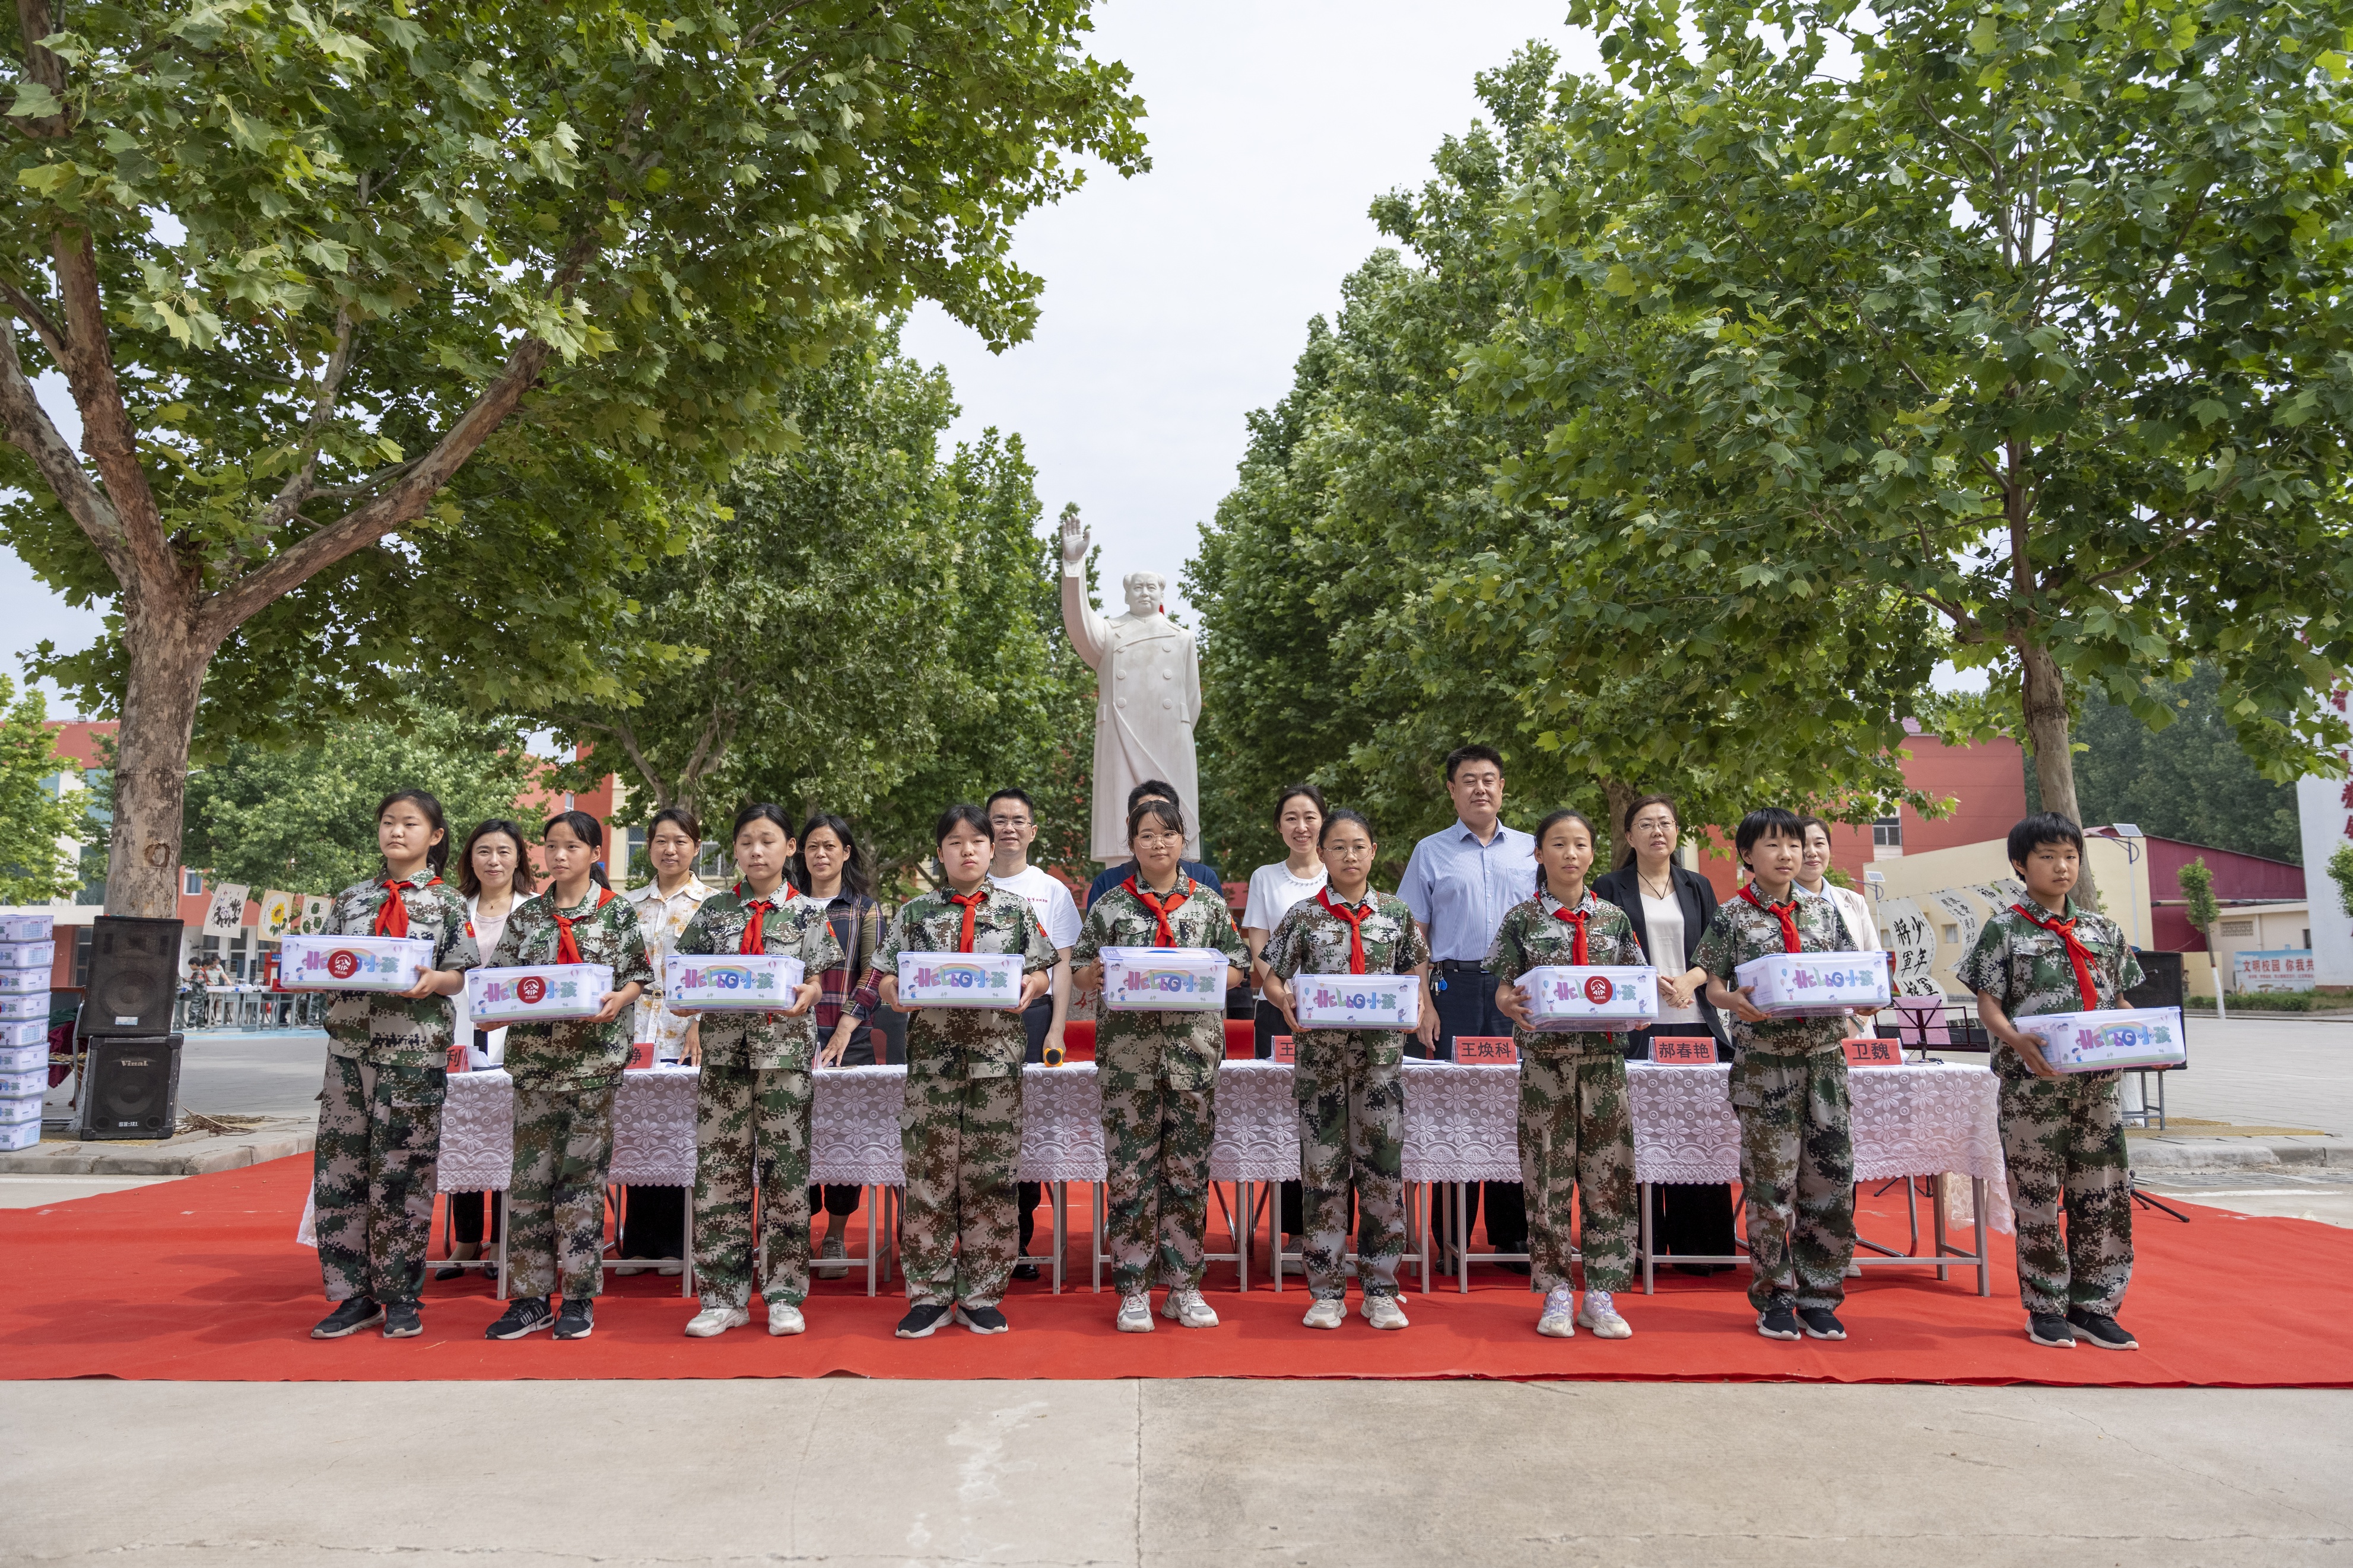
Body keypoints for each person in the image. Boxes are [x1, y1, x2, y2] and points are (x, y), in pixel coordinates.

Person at [1955, 813, 2144, 1351]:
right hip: (2032, 1090)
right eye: (2047, 857)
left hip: (2097, 1089)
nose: (2061, 867)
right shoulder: (2004, 929)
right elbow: (1987, 1005)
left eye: (2070, 856)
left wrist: (2142, 1036)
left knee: (2103, 1195)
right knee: (2036, 1195)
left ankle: (2096, 1306)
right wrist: (2016, 1041)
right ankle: (2045, 1307)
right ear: (2020, 864)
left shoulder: (2103, 930)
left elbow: (2120, 1000)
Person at [865, 804, 1055, 1337]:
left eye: (977, 841)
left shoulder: (1015, 910)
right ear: (941, 851)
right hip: (932, 1067)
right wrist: (893, 994)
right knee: (928, 1179)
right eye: (955, 842)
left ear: (993, 849)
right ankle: (927, 1293)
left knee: (990, 1179)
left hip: (995, 1065)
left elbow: (1040, 970)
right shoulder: (915, 912)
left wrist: (1031, 988)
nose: (967, 849)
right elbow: (883, 975)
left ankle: (980, 1293)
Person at [1694, 807, 1876, 1343]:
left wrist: (1857, 1006)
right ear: (1748, 855)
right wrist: (1734, 1003)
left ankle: (1820, 1296)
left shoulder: (1825, 912)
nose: (1786, 855)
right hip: (1765, 1068)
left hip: (1823, 1064)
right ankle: (1775, 1297)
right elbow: (1714, 985)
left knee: (1829, 1183)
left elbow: (1854, 974)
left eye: (1793, 845)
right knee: (1771, 1188)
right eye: (1772, 846)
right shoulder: (1732, 916)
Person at [1071, 796, 1249, 1332]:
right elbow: (1080, 969)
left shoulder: (1209, 904)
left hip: (1191, 1060)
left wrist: (1207, 973)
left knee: (1187, 1176)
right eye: (1146, 835)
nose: (1157, 844)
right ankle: (1132, 1289)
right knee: (1129, 1176)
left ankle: (1184, 1286)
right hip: (1129, 1064)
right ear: (1132, 844)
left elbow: (1240, 968)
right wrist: (1097, 975)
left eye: (1167, 834)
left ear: (1182, 841)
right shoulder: (1110, 905)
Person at [308, 790, 480, 1341]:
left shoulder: (448, 903)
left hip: (411, 1053)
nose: (396, 832)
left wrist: (435, 981)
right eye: (388, 822)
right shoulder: (352, 899)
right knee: (341, 1175)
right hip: (349, 1052)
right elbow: (328, 959)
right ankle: (350, 1294)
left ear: (435, 836)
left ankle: (401, 1295)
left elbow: (460, 973)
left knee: (403, 1174)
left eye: (410, 823)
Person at [481, 812, 652, 1343]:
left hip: (591, 1067)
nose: (559, 856)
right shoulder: (528, 917)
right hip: (534, 1068)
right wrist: (492, 1007)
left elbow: (638, 976)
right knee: (529, 1184)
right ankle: (529, 1297)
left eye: (572, 847)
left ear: (595, 854)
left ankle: (578, 1297)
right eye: (551, 846)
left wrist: (618, 998)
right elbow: (501, 981)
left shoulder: (616, 913)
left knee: (581, 1183)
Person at [1261, 809, 1431, 1331]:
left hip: (1379, 1068)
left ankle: (1380, 1287)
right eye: (1338, 847)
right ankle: (1326, 1289)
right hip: (1321, 1069)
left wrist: (1415, 1003)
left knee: (1382, 1176)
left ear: (1373, 851)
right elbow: (1270, 972)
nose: (1349, 856)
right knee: (1322, 1177)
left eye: (1358, 846)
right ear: (1323, 854)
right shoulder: (1303, 916)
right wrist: (1282, 997)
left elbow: (1414, 967)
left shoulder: (1396, 915)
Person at [674, 804, 839, 1338]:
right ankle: (722, 1296)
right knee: (719, 1178)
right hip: (723, 1059)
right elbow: (684, 973)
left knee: (785, 1177)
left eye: (767, 840)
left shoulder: (810, 913)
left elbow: (817, 981)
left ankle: (785, 1293)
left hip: (783, 1060)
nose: (756, 851)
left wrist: (811, 992)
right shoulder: (713, 910)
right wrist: (683, 999)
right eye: (746, 842)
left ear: (790, 847)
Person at [1488, 810, 1641, 1340]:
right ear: (1539, 854)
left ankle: (1601, 1291)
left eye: (1579, 844)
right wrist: (1511, 1006)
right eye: (1558, 844)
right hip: (1546, 1066)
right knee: (1547, 1179)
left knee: (1608, 1179)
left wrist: (1640, 1007)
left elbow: (1633, 983)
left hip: (1603, 1067)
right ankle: (1555, 1290)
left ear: (1592, 854)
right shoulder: (1521, 920)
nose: (1569, 854)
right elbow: (1503, 989)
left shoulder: (1615, 920)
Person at [1396, 743, 1531, 1265]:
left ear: (1502, 787)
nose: (1480, 788)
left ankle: (1511, 1233)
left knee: (1514, 1105)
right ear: (1451, 789)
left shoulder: (1529, 850)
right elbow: (1415, 936)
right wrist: (1423, 1001)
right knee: (1455, 1108)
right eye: (1469, 779)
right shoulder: (1430, 851)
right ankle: (1449, 1238)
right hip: (1453, 990)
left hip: (1516, 992)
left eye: (1489, 779)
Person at [1590, 793, 1737, 1270]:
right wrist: (1642, 975)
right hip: (1636, 1026)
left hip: (1695, 1024)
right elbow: (1597, 949)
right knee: (1636, 1137)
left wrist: (1695, 979)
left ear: (1677, 832)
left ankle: (1703, 1250)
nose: (1658, 831)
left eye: (1667, 823)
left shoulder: (1696, 885)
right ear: (1629, 836)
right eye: (1647, 824)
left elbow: (1716, 946)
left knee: (1698, 1133)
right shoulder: (1609, 886)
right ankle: (1635, 1248)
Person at [985, 787, 1081, 1279]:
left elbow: (1063, 967)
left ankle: (1017, 1241)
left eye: (1017, 820)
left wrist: (1057, 1029)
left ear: (1032, 830)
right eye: (998, 820)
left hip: (1031, 1016)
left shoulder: (1051, 890)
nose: (1008, 828)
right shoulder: (967, 879)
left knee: (1017, 1131)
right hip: (971, 1018)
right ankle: (972, 1239)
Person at [617, 806, 713, 1276]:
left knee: (679, 1133)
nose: (670, 849)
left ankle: (677, 1240)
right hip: (637, 1027)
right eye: (660, 840)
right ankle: (637, 1243)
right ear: (649, 847)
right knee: (638, 1131)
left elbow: (722, 974)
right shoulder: (628, 904)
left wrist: (702, 1017)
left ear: (696, 847)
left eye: (680, 840)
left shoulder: (713, 904)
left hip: (686, 1029)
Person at [437, 816, 535, 1282]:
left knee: (508, 1141)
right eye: (483, 851)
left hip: (515, 1037)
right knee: (462, 1136)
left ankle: (503, 1238)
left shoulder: (537, 910)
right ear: (469, 857)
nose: (493, 861)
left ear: (518, 858)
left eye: (503, 851)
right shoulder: (452, 908)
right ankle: (467, 1237)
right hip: (456, 1036)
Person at [1240, 784, 1328, 1249]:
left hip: (1335, 1014)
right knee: (1287, 1118)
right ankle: (1294, 1230)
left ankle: (1334, 1228)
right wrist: (1276, 989)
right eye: (1291, 818)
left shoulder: (1341, 871)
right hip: (1278, 1010)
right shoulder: (1265, 877)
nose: (1301, 827)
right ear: (1279, 826)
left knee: (1333, 1115)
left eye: (1310, 817)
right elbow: (1258, 943)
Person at [799, 811, 884, 1278]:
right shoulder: (787, 906)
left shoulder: (864, 909)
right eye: (813, 846)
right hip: (792, 1035)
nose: (821, 854)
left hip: (848, 1039)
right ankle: (797, 1228)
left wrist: (847, 1028)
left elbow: (872, 973)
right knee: (797, 1139)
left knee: (846, 1141)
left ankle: (835, 1234)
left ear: (845, 853)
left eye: (830, 846)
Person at [1084, 779, 1223, 909]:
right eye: (1144, 812)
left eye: (1167, 832)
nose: (1159, 844)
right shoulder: (1107, 884)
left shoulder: (1204, 878)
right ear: (1130, 824)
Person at [1796, 815, 1880, 952]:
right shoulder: (1779, 902)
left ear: (1829, 848)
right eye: (1802, 845)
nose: (1812, 852)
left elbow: (1873, 956)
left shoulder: (1854, 901)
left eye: (1819, 844)